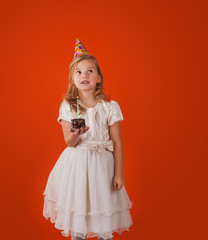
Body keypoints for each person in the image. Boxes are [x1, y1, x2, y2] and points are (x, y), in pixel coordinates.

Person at [43, 38, 133, 240]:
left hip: (103, 167)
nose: (84, 75)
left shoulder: (109, 107)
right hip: (77, 168)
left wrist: (118, 174)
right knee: (78, 215)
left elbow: (117, 142)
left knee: (103, 215)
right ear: (73, 80)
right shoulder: (68, 106)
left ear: (99, 77)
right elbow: (69, 142)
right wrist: (76, 134)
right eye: (79, 72)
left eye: (90, 71)